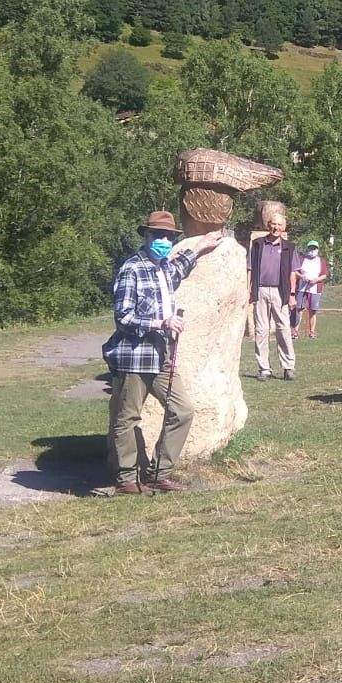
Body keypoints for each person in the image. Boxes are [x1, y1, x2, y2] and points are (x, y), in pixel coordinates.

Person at [101, 210, 224, 495]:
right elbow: (123, 317)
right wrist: (161, 322)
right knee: (127, 418)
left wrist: (203, 244)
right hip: (134, 356)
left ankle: (158, 473)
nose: (164, 241)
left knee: (182, 411)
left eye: (168, 236)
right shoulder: (131, 269)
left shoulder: (164, 268)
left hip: (161, 355)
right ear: (146, 236)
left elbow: (182, 265)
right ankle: (126, 480)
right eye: (158, 235)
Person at [247, 210, 298, 381]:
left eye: (279, 225)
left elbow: (293, 273)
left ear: (284, 228)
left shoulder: (289, 247)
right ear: (268, 225)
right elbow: (250, 269)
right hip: (260, 290)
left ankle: (288, 367)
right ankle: (264, 369)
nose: (276, 227)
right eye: (273, 224)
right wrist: (249, 290)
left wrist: (292, 294)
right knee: (261, 330)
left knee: (283, 329)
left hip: (280, 292)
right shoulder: (257, 244)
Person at [294, 239, 330, 339]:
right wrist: (301, 277)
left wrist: (316, 280)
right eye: (310, 248)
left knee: (313, 310)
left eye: (314, 248)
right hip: (302, 287)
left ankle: (312, 331)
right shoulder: (302, 259)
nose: (312, 250)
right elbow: (295, 271)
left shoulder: (321, 261)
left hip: (315, 288)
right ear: (308, 248)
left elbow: (325, 275)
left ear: (317, 249)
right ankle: (295, 331)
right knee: (298, 309)